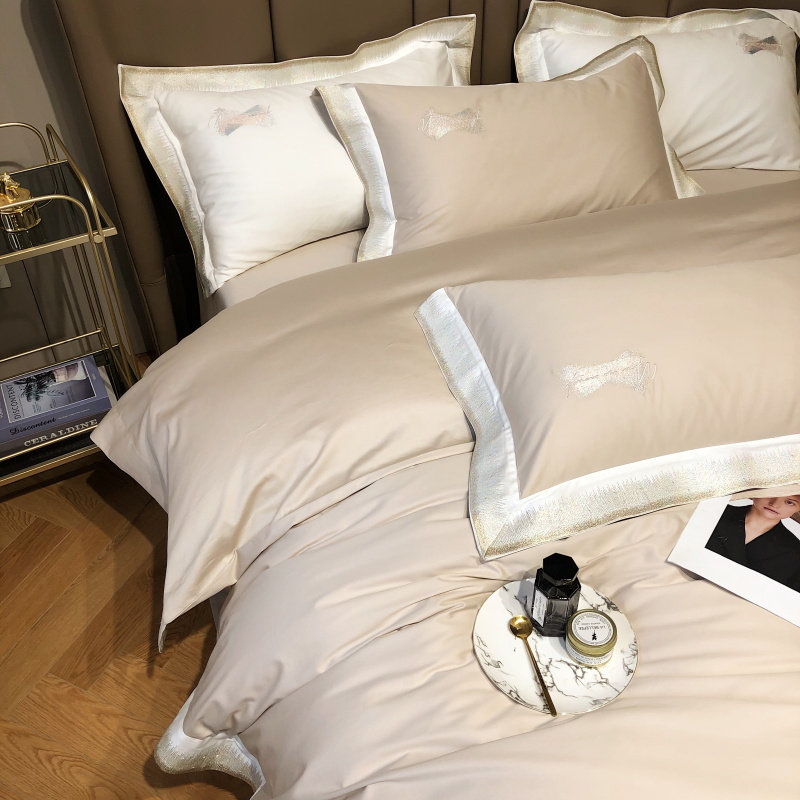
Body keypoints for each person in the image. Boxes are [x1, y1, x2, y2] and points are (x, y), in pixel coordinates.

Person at [706, 496, 800, 591]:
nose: (775, 504)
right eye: (771, 494)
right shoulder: (711, 511)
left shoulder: (796, 552)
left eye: (789, 502)